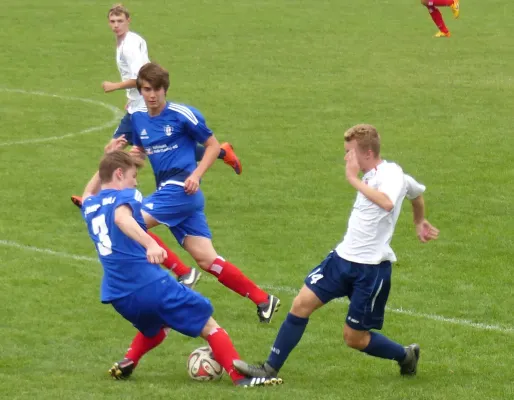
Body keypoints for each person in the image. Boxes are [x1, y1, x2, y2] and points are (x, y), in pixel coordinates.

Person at [233, 124, 440, 379]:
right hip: (341, 260)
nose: (345, 158)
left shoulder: (392, 175)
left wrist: (353, 179)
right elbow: (416, 194)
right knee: (300, 304)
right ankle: (268, 369)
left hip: (371, 270)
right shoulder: (374, 174)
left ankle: (405, 355)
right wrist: (419, 220)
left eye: (348, 152)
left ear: (366, 153)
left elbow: (388, 202)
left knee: (354, 338)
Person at [81, 148, 281, 387]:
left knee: (156, 326)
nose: (135, 181)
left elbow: (89, 191)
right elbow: (121, 219)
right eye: (133, 176)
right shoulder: (128, 195)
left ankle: (129, 359)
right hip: (149, 285)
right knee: (208, 324)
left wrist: (104, 163)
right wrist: (149, 244)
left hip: (118, 295)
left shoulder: (89, 206)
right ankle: (241, 379)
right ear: (119, 174)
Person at [128, 62, 281, 323]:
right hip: (171, 194)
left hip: (180, 189)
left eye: (157, 89)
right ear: (140, 91)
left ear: (165, 90)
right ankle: (264, 300)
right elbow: (141, 152)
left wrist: (196, 175)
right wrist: (127, 158)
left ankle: (181, 273)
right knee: (207, 259)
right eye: (146, 89)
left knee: (129, 225)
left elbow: (212, 146)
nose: (152, 95)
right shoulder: (139, 119)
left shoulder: (182, 114)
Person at [71, 3, 241, 207]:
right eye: (112, 21)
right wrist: (132, 96)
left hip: (141, 108)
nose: (116, 25)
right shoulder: (128, 40)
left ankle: (91, 196)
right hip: (137, 103)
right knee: (160, 144)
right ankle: (223, 152)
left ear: (128, 21)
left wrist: (115, 86)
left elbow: (140, 77)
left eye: (120, 21)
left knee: (117, 151)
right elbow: (145, 74)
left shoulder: (129, 46)